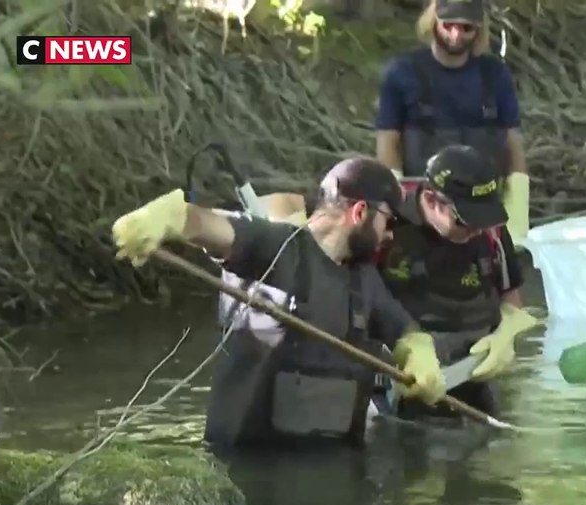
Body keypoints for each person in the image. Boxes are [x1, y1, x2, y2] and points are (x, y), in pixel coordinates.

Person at [109, 156, 448, 449]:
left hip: (336, 466)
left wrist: (418, 351)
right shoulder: (276, 247)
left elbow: (404, 329)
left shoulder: (365, 279)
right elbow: (211, 227)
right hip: (251, 466)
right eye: (390, 221)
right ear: (360, 212)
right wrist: (170, 216)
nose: (391, 235)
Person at [377, 145, 538, 418]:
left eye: (483, 220)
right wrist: (405, 347)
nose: (476, 230)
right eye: (465, 220)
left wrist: (508, 332)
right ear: (431, 200)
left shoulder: (491, 232)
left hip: (474, 368)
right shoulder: (386, 222)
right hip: (406, 371)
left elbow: (511, 296)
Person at [373, 0, 532, 244]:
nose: (456, 35)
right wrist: (394, 207)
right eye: (449, 25)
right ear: (433, 21)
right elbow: (388, 141)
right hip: (422, 212)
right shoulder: (402, 73)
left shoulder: (495, 75)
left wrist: (517, 215)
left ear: (479, 29)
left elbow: (513, 143)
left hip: (481, 213)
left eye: (466, 28)